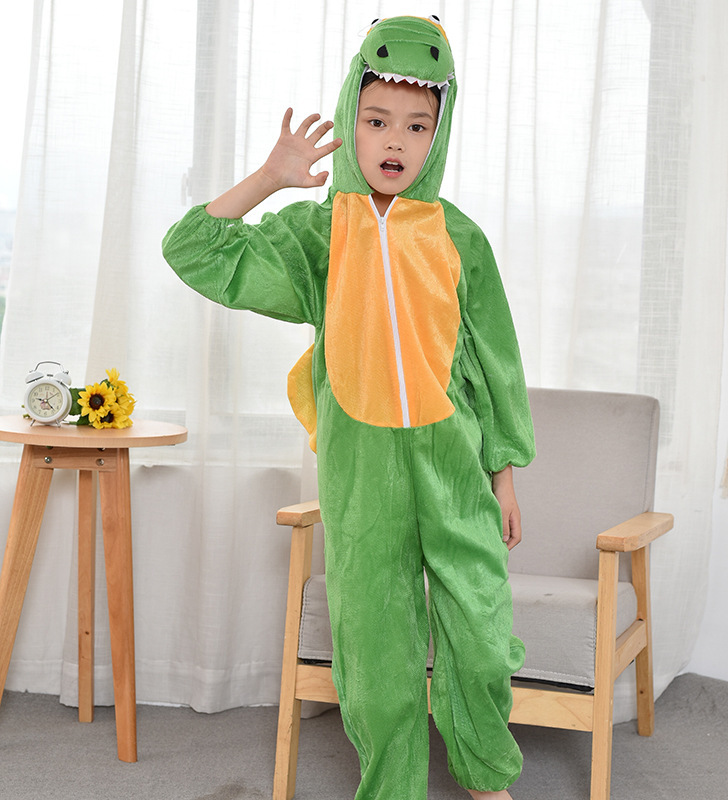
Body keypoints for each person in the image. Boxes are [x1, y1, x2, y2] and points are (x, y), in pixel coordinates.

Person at [163, 16, 535, 800]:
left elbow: (495, 363)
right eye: (376, 120)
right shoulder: (320, 234)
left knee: (479, 629)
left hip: (452, 461)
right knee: (373, 646)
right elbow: (194, 250)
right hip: (361, 466)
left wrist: (503, 474)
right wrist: (269, 179)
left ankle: (483, 774)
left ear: (439, 132)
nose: (395, 140)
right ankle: (391, 786)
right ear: (349, 120)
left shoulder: (459, 238)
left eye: (416, 125)